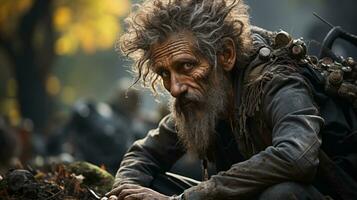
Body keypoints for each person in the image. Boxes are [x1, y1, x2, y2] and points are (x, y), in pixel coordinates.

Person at [104, 0, 357, 199]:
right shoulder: (202, 97)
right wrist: (123, 192)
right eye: (164, 73)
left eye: (186, 65)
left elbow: (297, 157)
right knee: (146, 190)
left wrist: (187, 198)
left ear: (226, 55)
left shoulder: (277, 83)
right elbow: (144, 153)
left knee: (280, 195)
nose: (174, 88)